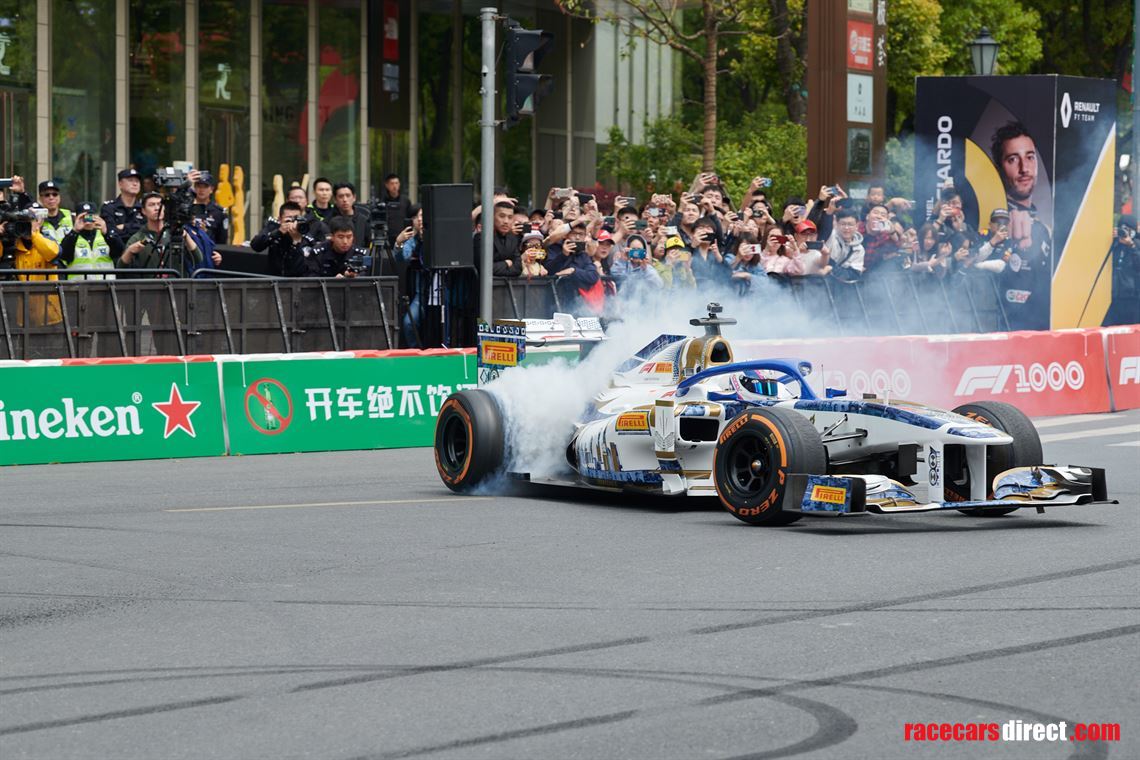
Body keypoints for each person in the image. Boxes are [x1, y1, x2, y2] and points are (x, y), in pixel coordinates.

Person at [117, 192, 205, 277]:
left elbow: (198, 258)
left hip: (176, 287)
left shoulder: (175, 233)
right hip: (151, 287)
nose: (157, 208)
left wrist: (186, 236)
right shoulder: (138, 237)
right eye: (151, 205)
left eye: (159, 204)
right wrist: (129, 251)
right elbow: (120, 268)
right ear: (143, 211)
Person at [0, 212, 62, 325]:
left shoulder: (46, 240)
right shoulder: (14, 246)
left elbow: (53, 253)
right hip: (25, 315)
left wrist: (34, 234)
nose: (25, 227)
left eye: (28, 223)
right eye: (22, 224)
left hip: (49, 315)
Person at [249, 201, 320, 277]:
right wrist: (278, 232)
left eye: (296, 218)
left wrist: (296, 242)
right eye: (289, 219)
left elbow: (302, 267)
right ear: (280, 219)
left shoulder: (304, 233)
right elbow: (255, 245)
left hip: (297, 282)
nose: (293, 222)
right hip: (275, 279)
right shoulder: (273, 228)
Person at [57, 202, 123, 279]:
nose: (88, 221)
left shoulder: (104, 235)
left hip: (105, 286)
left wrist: (106, 233)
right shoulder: (71, 236)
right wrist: (75, 231)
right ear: (76, 218)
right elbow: (64, 255)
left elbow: (119, 251)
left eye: (91, 216)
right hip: (79, 288)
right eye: (83, 217)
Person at [1105, 215, 1139, 325]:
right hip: (1113, 298)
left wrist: (1131, 246)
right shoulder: (1114, 243)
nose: (1124, 233)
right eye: (1122, 229)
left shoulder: (1137, 244)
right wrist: (1111, 238)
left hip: (1133, 299)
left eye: (1128, 230)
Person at [100, 168, 145, 243]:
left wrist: (124, 227)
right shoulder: (109, 208)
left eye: (137, 181)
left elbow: (146, 231)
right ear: (120, 184)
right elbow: (110, 233)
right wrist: (135, 227)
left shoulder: (144, 208)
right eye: (130, 180)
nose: (135, 184)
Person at [190, 172, 230, 245]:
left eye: (205, 186)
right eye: (199, 186)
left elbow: (222, 241)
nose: (201, 190)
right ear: (195, 188)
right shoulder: (188, 208)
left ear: (211, 189)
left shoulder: (219, 212)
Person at [825, 208, 865, 281]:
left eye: (850, 224)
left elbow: (854, 273)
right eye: (843, 224)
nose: (846, 228)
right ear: (836, 224)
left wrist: (833, 268)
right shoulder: (829, 236)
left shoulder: (859, 249)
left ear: (857, 225)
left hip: (839, 285)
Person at [330, 182, 373, 246]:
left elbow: (368, 244)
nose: (345, 200)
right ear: (335, 200)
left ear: (354, 197)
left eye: (348, 195)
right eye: (341, 196)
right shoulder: (329, 219)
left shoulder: (363, 220)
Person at [37, 180, 74, 244]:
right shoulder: (37, 218)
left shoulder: (71, 216)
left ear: (59, 197)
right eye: (47, 195)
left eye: (55, 194)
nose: (51, 198)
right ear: (40, 199)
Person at [380, 173, 412, 247]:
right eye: (392, 183)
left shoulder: (405, 200)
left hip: (402, 236)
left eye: (396, 183)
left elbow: (409, 217)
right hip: (387, 237)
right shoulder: (382, 202)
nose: (395, 186)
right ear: (387, 185)